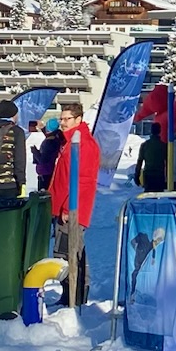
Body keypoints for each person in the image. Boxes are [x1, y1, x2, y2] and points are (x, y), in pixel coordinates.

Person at [50, 100, 102, 308]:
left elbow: (82, 180)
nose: (62, 123)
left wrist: (68, 208)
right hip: (64, 205)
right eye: (61, 118)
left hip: (72, 208)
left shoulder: (83, 144)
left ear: (78, 119)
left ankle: (77, 295)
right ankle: (68, 293)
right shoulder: (69, 141)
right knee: (66, 251)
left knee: (70, 250)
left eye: (66, 119)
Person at [33, 113, 63, 193]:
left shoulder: (48, 142)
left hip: (45, 172)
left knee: (43, 194)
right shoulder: (57, 137)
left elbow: (43, 160)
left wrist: (35, 151)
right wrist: (42, 127)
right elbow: (49, 133)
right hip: (52, 170)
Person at [136, 120, 169, 193]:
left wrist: (137, 176)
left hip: (148, 175)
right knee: (159, 197)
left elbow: (139, 161)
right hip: (159, 175)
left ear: (151, 131)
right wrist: (167, 178)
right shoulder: (163, 146)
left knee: (148, 197)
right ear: (160, 131)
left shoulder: (145, 145)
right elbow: (168, 163)